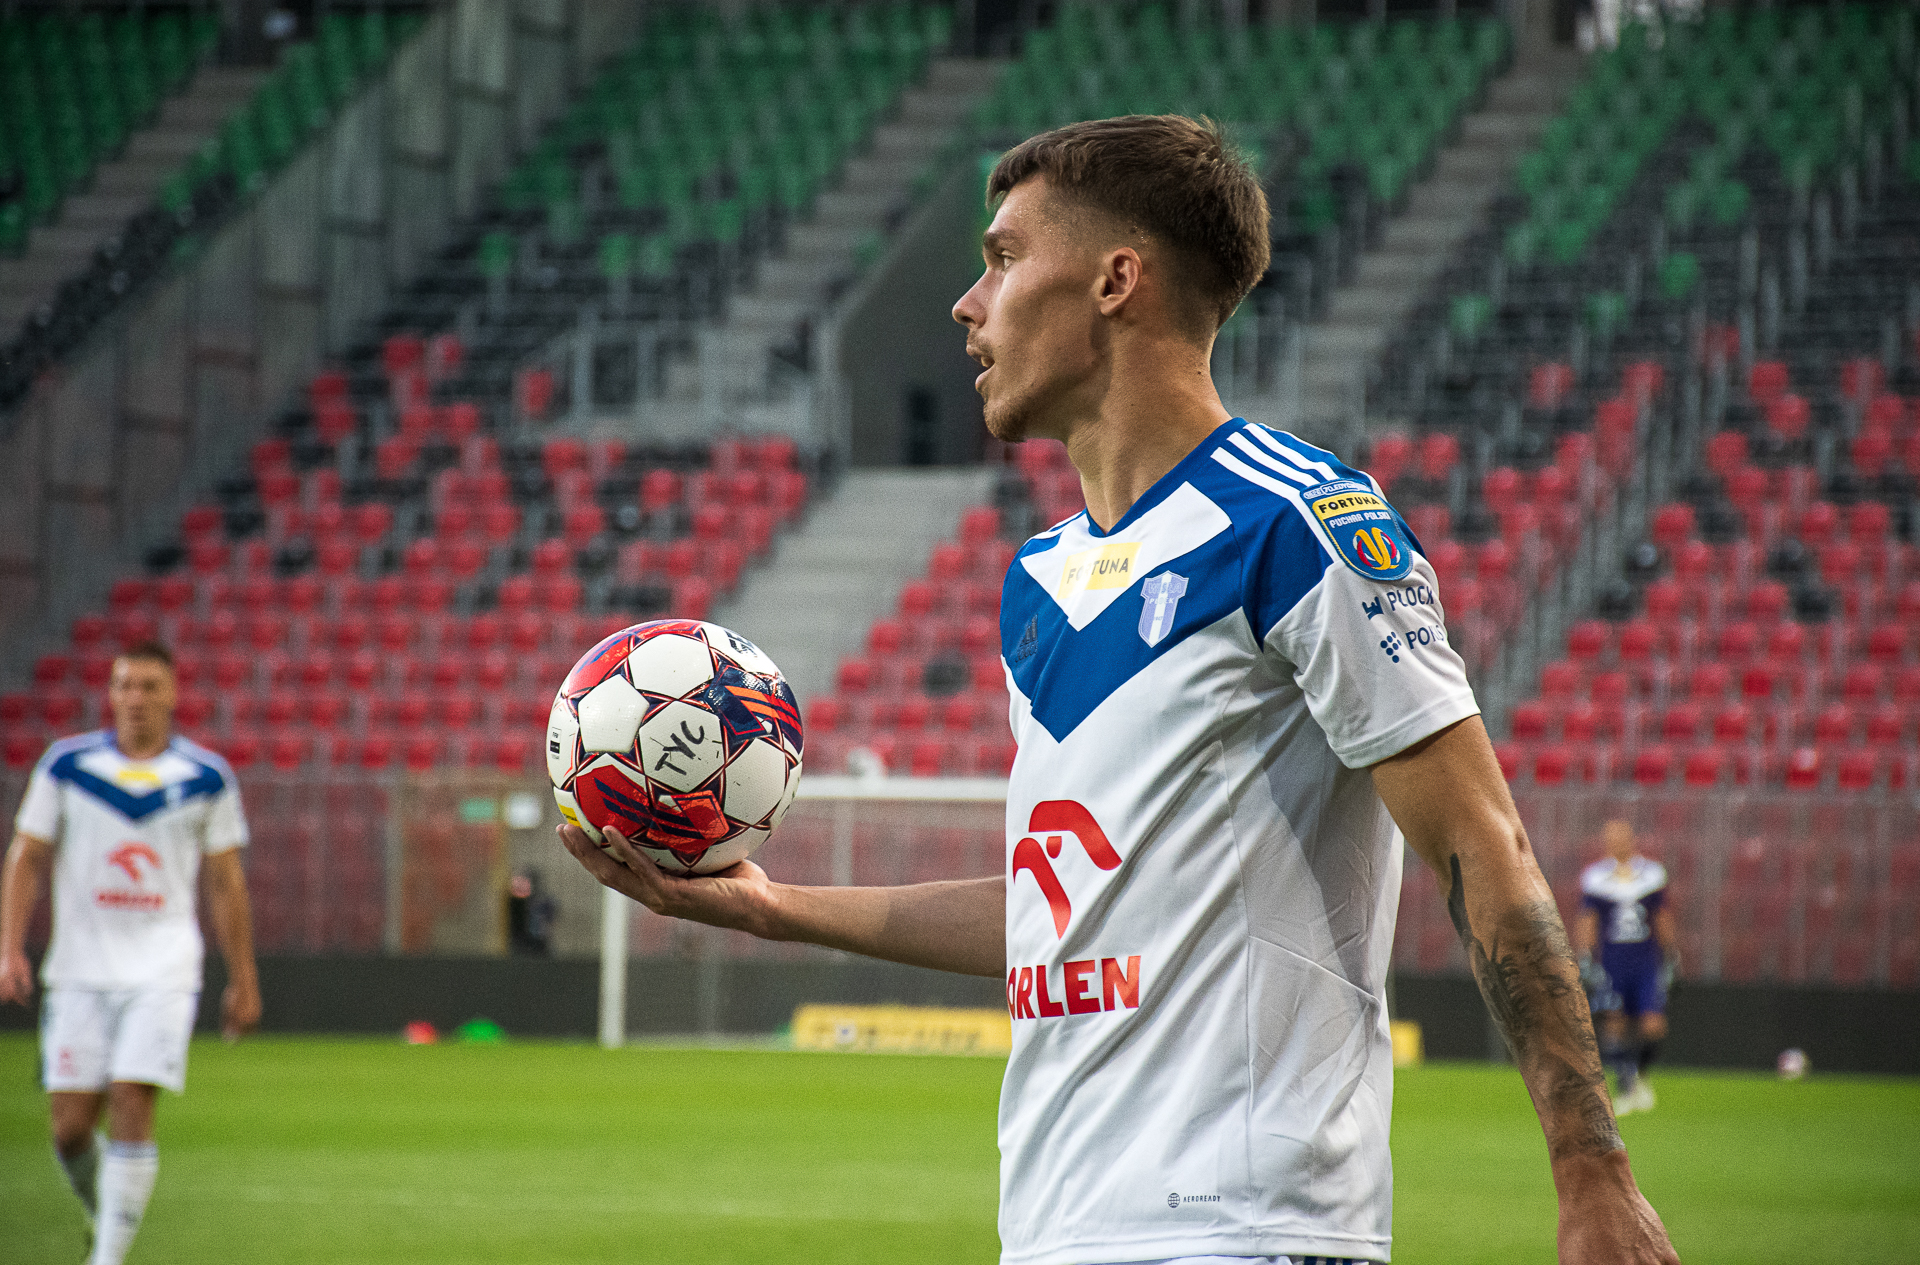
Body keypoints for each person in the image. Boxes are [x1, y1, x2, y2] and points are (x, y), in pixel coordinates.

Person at [558, 116, 1677, 1265]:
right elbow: (1062, 913)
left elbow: (1483, 846)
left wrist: (1592, 1168)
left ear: (1114, 280)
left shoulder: (1298, 524)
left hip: (1248, 1231)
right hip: (1057, 1229)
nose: (967, 304)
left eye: (1002, 258)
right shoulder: (1039, 580)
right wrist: (770, 907)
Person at [0, 639, 260, 1265]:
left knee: (131, 1099)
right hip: (79, 969)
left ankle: (108, 1258)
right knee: (69, 1130)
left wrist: (243, 978)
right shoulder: (67, 766)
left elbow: (226, 882)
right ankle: (110, 1221)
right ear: (110, 694)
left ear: (172, 694)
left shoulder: (205, 777)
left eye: (148, 686)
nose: (136, 698)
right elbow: (27, 857)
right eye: (125, 685)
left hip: (164, 967)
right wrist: (9, 949)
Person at [1574, 819, 1677, 1116]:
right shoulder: (1595, 877)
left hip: (1646, 960)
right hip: (1612, 962)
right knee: (1614, 1023)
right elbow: (1588, 919)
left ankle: (1641, 1075)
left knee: (1653, 1024)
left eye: (1620, 837)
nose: (1615, 842)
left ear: (1631, 839)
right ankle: (1625, 1087)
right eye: (1610, 838)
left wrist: (1672, 954)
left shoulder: (1652, 874)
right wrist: (1584, 957)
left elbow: (1662, 915)